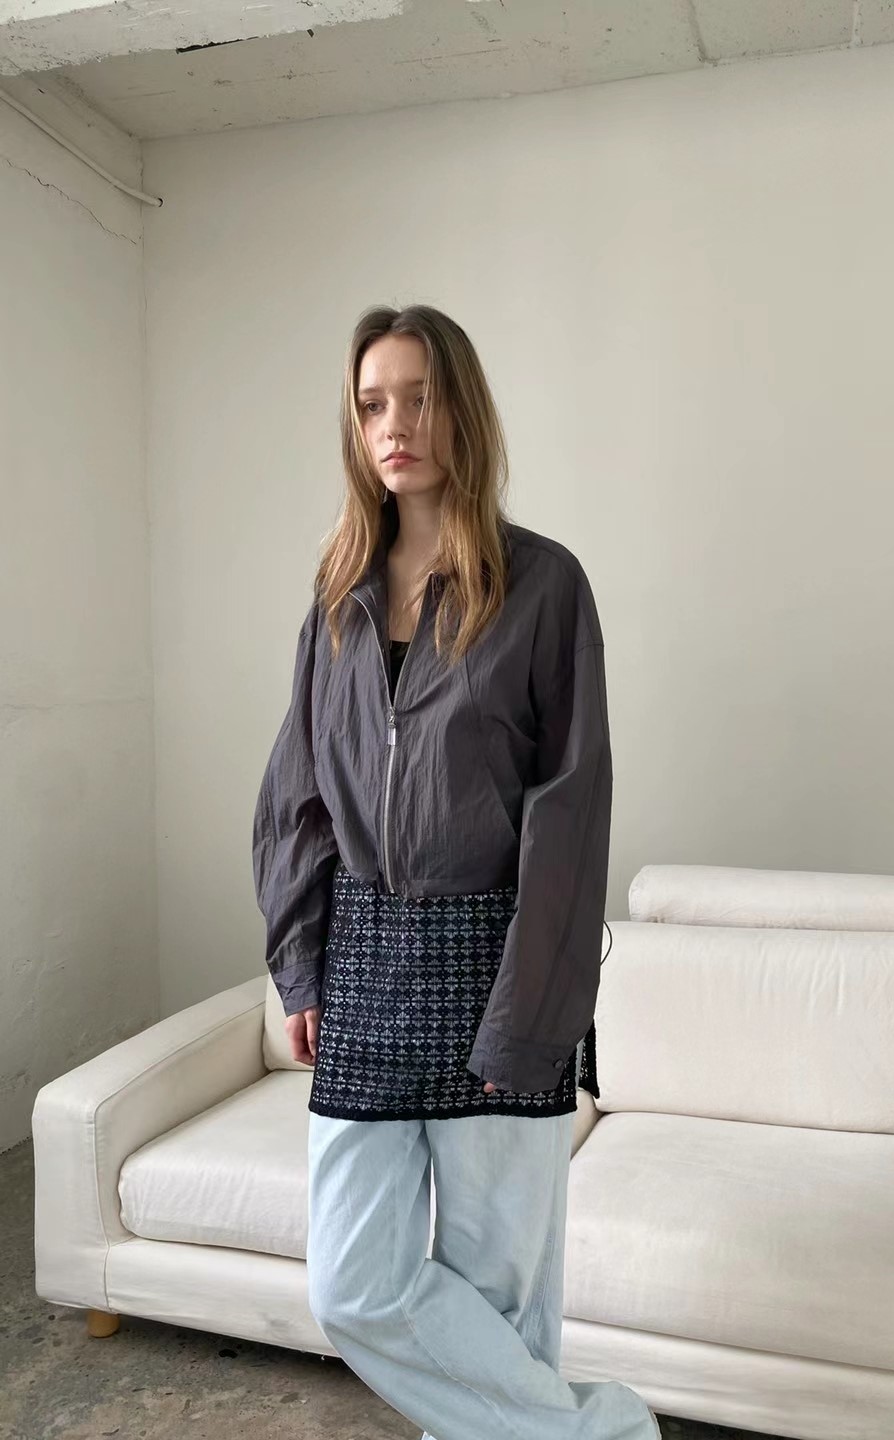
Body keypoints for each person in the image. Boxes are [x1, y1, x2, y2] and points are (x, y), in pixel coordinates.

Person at [251, 303, 660, 1440]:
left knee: (503, 1308)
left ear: (463, 409)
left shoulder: (544, 586)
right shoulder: (336, 597)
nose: (396, 424)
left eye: (420, 397)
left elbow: (570, 815)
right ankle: (607, 1434)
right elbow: (296, 794)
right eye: (372, 403)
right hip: (366, 963)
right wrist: (301, 965)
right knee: (353, 1285)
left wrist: (529, 1017)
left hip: (500, 962)